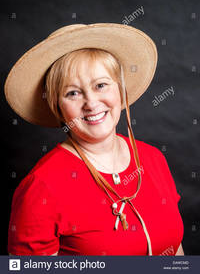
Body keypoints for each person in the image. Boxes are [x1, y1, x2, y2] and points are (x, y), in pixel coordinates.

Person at [5, 23, 184, 256]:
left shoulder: (153, 158)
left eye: (101, 85)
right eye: (73, 93)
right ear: (57, 107)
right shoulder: (42, 187)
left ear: (120, 91)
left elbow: (175, 252)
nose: (91, 103)